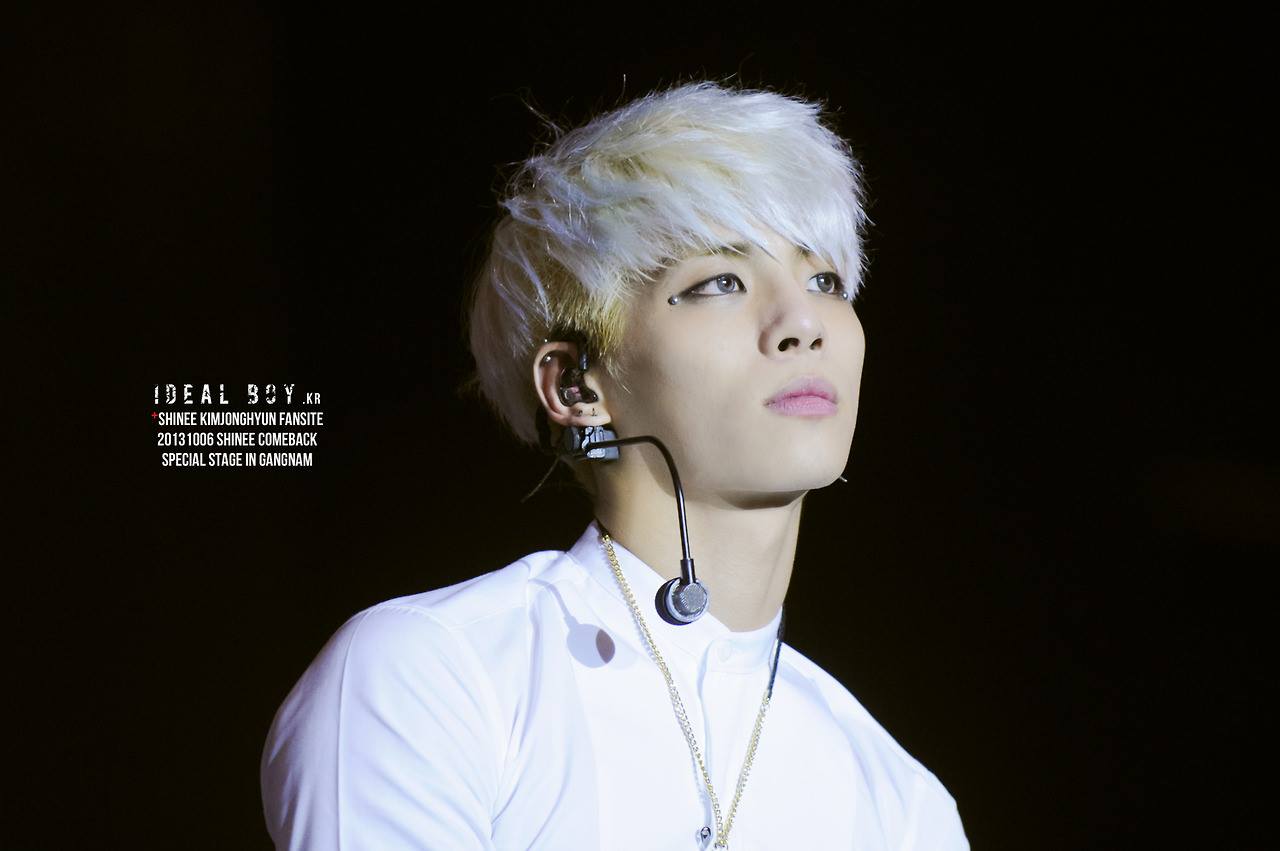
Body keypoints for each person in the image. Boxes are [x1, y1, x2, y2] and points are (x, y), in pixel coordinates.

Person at [260, 79, 969, 850]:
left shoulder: (901, 802)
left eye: (824, 279)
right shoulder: (435, 674)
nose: (803, 322)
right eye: (721, 282)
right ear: (577, 385)